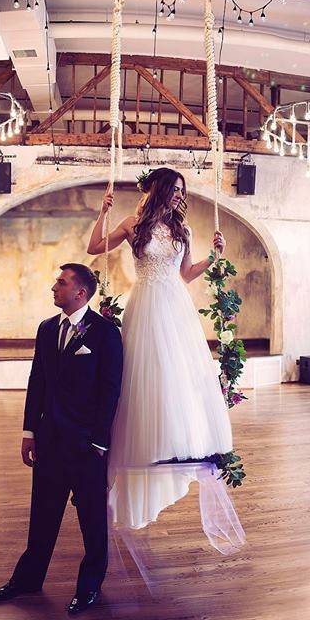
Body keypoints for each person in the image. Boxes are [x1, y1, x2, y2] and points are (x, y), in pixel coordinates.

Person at [86, 168, 239, 535]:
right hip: (146, 302)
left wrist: (214, 259)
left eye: (181, 191)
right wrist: (102, 212)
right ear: (158, 190)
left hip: (175, 305)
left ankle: (174, 442)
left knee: (177, 377)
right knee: (144, 375)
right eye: (173, 189)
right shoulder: (133, 223)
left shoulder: (182, 230)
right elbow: (94, 247)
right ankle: (142, 446)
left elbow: (185, 274)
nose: (178, 196)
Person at [0, 263, 123, 615]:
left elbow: (111, 391)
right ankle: (27, 579)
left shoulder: (105, 333)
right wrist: (29, 432)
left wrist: (99, 442)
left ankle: (89, 586)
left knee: (92, 521)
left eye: (61, 283)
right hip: (48, 441)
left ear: (81, 292)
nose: (54, 287)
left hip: (87, 446)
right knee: (43, 516)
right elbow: (38, 383)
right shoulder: (47, 329)